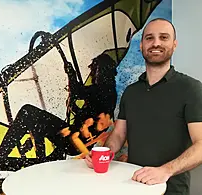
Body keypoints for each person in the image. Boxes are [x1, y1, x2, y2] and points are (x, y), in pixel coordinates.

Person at [85, 18, 202, 195]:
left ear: (174, 44)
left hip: (171, 190)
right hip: (132, 186)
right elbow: (118, 134)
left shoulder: (191, 89)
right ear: (141, 46)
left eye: (164, 37)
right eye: (149, 38)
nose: (156, 43)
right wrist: (104, 154)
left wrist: (165, 170)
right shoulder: (131, 92)